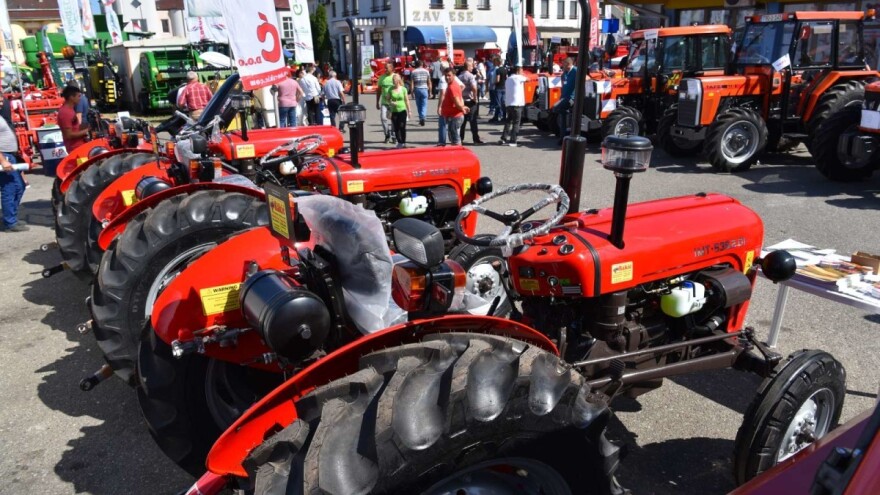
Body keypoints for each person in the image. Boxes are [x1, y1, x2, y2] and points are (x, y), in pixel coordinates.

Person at [0, 98, 26, 231]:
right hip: (4, 156)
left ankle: (11, 217)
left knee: (19, 186)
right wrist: (3, 160)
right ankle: (10, 222)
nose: (1, 103)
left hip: (10, 156)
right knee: (10, 189)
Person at [439, 67, 469, 146]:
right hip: (454, 116)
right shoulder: (453, 85)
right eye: (445, 75)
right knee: (454, 138)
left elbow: (457, 102)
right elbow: (460, 99)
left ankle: (458, 156)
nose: (447, 77)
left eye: (449, 75)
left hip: (455, 117)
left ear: (454, 75)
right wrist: (463, 107)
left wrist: (462, 107)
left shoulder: (452, 87)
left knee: (455, 140)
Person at [457, 58, 483, 144]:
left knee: (462, 121)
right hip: (470, 101)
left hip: (462, 100)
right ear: (468, 67)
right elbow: (474, 88)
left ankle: (460, 139)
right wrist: (475, 98)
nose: (473, 68)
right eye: (471, 66)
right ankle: (476, 139)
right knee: (473, 120)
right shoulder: (470, 76)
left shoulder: (459, 76)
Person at [500, 66, 527, 147]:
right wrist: (523, 74)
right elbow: (528, 78)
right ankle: (513, 140)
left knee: (508, 121)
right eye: (522, 70)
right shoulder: (519, 77)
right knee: (516, 122)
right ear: (518, 71)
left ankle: (503, 138)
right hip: (517, 104)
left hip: (509, 103)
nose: (523, 71)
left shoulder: (508, 79)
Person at [58, 85, 89, 153]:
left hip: (79, 146)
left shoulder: (70, 110)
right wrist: (87, 131)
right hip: (75, 148)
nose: (80, 98)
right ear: (71, 97)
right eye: (78, 96)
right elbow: (68, 135)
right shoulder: (65, 113)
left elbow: (75, 127)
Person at [554, 57, 577, 144]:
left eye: (563, 64)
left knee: (558, 108)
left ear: (568, 64)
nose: (562, 66)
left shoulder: (575, 71)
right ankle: (562, 137)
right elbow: (563, 86)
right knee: (560, 112)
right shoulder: (564, 74)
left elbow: (586, 78)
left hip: (572, 98)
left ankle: (569, 133)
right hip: (564, 97)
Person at [386, 73, 411, 148]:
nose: (393, 81)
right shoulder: (390, 89)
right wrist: (391, 102)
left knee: (402, 126)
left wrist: (409, 110)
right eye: (393, 80)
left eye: (394, 79)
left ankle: (403, 142)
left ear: (398, 80)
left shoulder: (403, 89)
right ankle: (399, 142)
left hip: (402, 110)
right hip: (394, 111)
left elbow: (407, 100)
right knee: (396, 128)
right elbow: (387, 99)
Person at [376, 62, 396, 143]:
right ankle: (387, 134)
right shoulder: (382, 78)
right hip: (384, 102)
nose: (385, 69)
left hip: (393, 103)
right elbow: (379, 91)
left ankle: (394, 136)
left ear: (391, 68)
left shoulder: (395, 77)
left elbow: (401, 88)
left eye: (387, 68)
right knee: (383, 118)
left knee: (393, 120)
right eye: (385, 68)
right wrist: (377, 102)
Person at [409, 61, 431, 126]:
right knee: (424, 104)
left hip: (417, 89)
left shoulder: (413, 72)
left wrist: (412, 92)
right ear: (422, 64)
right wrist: (430, 92)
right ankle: (423, 117)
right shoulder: (427, 71)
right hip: (424, 89)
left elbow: (412, 83)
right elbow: (429, 82)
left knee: (418, 105)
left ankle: (421, 118)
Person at [489, 57, 507, 123]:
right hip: (504, 88)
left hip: (498, 88)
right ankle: (504, 117)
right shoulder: (505, 69)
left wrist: (493, 83)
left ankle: (496, 117)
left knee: (498, 103)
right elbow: (506, 78)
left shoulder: (498, 70)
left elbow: (497, 79)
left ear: (497, 62)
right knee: (503, 103)